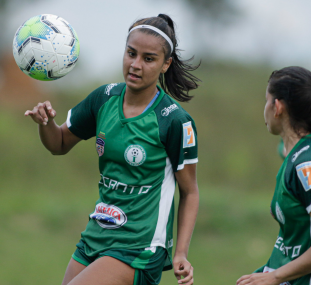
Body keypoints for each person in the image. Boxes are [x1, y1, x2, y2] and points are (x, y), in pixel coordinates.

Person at [25, 14, 200, 285]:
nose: (135, 64)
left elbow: (190, 192)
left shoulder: (174, 120)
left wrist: (180, 253)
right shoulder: (104, 98)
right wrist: (46, 123)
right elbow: (58, 144)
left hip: (140, 246)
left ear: (165, 64)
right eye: (131, 53)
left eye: (148, 58)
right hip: (97, 233)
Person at [237, 66, 311, 285]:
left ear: (277, 107)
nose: (263, 108)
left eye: (266, 100)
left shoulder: (309, 163)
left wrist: (275, 276)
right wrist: (267, 272)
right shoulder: (310, 153)